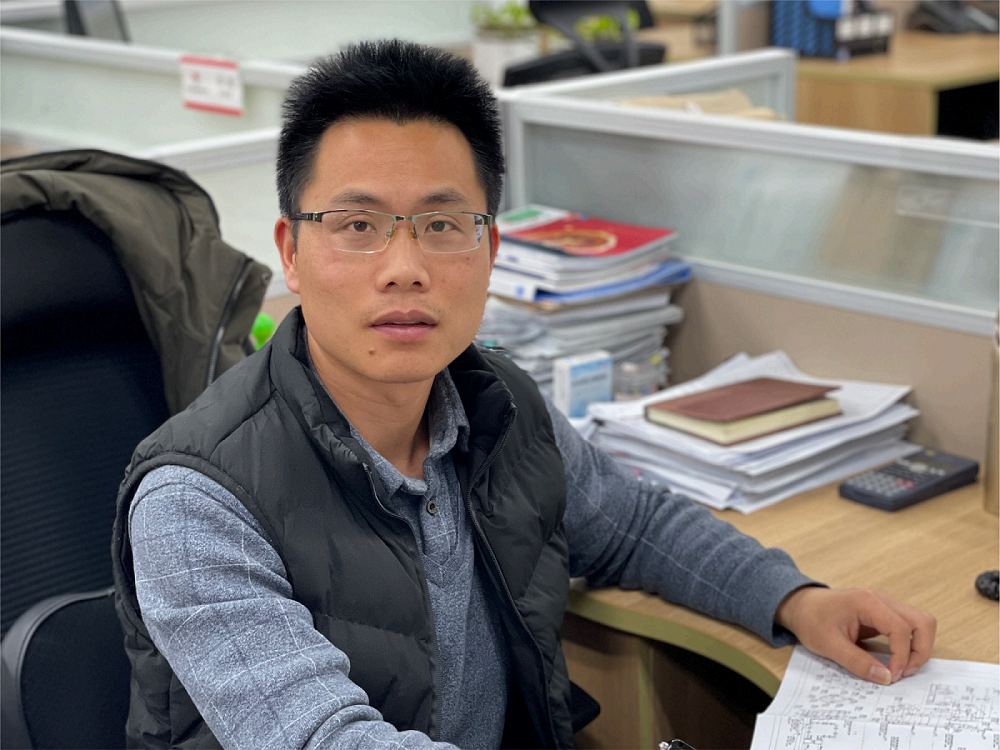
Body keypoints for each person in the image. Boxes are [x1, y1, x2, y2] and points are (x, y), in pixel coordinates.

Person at [112, 39, 936, 750]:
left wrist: (794, 598)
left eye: (442, 225)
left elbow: (634, 524)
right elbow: (326, 737)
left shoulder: (494, 403)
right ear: (291, 253)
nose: (405, 267)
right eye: (358, 226)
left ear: (490, 248)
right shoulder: (195, 501)